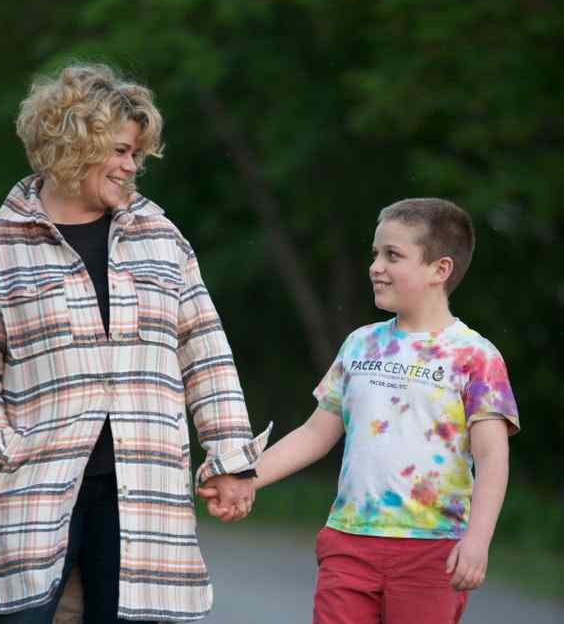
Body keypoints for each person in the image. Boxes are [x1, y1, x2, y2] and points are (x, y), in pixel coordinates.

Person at [0, 62, 271, 623]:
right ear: (72, 144)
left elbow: (206, 352)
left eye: (136, 154)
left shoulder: (163, 239)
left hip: (144, 488)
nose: (130, 166)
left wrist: (232, 459)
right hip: (34, 488)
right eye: (119, 150)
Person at [200, 197, 519, 623]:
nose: (376, 266)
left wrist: (477, 541)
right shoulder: (360, 344)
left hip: (431, 550)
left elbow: (492, 456)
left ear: (439, 270)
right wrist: (246, 479)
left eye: (393, 255)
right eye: (375, 254)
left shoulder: (474, 357)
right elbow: (316, 434)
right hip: (348, 543)